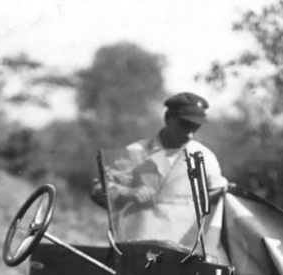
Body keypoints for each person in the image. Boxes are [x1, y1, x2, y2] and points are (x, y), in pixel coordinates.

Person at [91, 92, 228, 244]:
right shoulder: (136, 153)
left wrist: (222, 193)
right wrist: (129, 193)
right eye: (185, 125)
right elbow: (99, 191)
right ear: (168, 119)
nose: (190, 134)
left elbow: (218, 199)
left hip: (186, 251)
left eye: (195, 127)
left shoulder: (204, 157)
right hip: (138, 247)